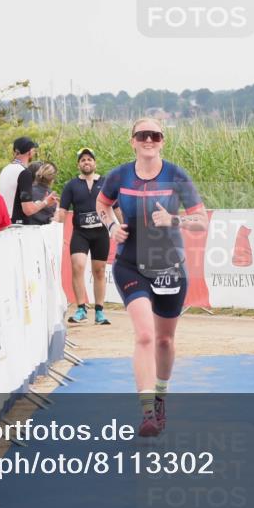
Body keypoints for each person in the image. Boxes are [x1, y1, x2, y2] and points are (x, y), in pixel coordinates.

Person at [95, 119, 207, 437]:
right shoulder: (119, 176)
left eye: (155, 135)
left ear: (162, 141)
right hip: (130, 264)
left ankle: (160, 396)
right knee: (144, 335)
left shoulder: (176, 175)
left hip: (169, 265)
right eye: (142, 135)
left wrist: (173, 219)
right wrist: (112, 227)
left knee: (164, 340)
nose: (149, 140)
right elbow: (102, 205)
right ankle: (147, 412)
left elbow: (201, 220)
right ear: (132, 141)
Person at [56, 148, 112, 326]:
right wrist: (56, 231)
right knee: (78, 266)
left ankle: (100, 311)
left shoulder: (105, 183)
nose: (86, 162)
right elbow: (63, 211)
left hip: (101, 233)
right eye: (83, 160)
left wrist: (124, 226)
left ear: (95, 163)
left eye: (89, 159)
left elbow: (115, 207)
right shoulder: (71, 185)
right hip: (80, 233)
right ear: (78, 165)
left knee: (99, 271)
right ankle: (81, 308)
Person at [0, 136, 57, 225]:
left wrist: (39, 203)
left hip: (4, 222)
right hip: (18, 226)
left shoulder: (5, 169)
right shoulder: (24, 172)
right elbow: (28, 210)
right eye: (34, 150)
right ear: (29, 152)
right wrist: (45, 202)